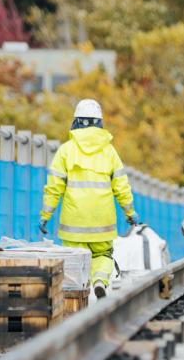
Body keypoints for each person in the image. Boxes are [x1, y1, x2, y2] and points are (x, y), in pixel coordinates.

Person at [39, 99, 139, 299]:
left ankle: (75, 301)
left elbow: (54, 188)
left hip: (73, 224)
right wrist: (130, 212)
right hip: (103, 223)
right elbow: (121, 186)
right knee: (103, 255)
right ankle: (100, 281)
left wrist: (45, 215)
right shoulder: (110, 152)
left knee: (75, 263)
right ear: (99, 123)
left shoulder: (65, 151)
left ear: (76, 121)